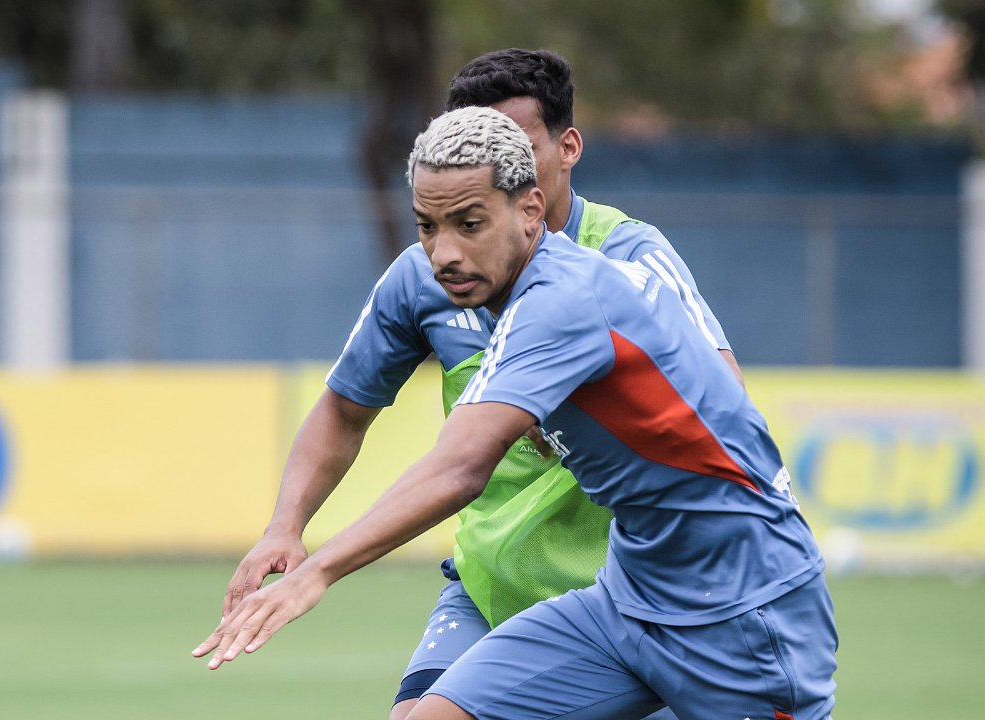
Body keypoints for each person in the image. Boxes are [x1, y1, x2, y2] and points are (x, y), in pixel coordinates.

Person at [194, 106, 837, 720]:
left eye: (468, 224)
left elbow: (459, 468)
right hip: (628, 600)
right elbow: (354, 413)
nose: (442, 252)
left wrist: (319, 572)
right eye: (426, 226)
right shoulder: (504, 292)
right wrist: (289, 526)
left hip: (743, 610)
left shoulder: (564, 300)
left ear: (531, 211)